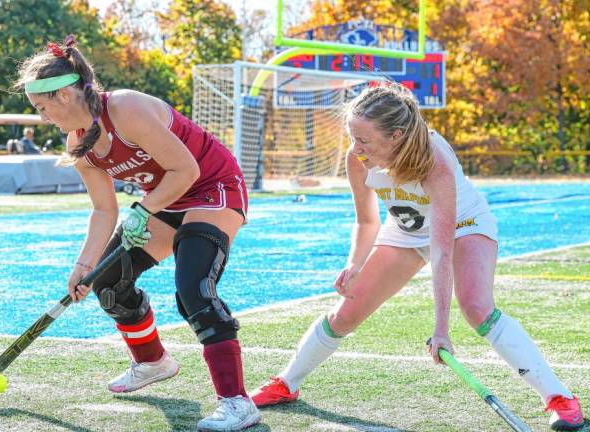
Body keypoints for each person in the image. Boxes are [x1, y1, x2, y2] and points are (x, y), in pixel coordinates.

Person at [250, 83, 584, 431]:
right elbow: (367, 221)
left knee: (476, 307)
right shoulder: (357, 160)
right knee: (346, 312)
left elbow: (441, 251)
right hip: (405, 230)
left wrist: (441, 329)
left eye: (363, 140)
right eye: (353, 137)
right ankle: (286, 384)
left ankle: (558, 396)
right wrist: (354, 263)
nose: (355, 148)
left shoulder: (433, 161)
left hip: (463, 224)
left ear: (396, 136)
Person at [15, 35, 261, 432]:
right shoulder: (79, 142)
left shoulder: (125, 108)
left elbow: (188, 171)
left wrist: (144, 210)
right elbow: (103, 208)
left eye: (42, 107)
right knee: (108, 281)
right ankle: (152, 361)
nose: (42, 116)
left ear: (64, 95)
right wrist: (84, 265)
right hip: (165, 201)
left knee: (193, 287)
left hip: (212, 188)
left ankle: (236, 402)